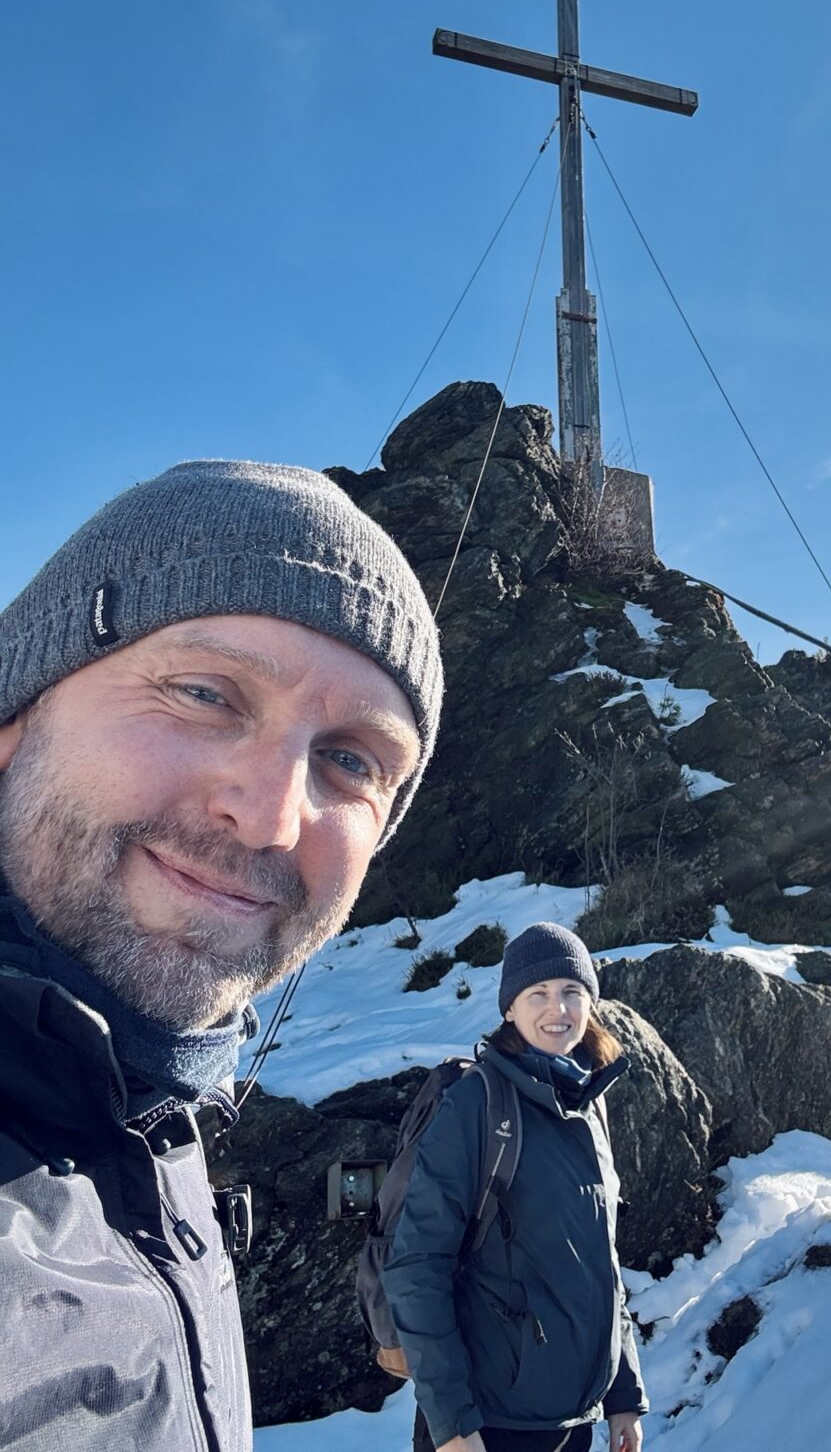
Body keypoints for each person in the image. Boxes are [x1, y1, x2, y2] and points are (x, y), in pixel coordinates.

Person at [0, 460, 442, 1452]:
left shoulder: (163, 1122)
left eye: (352, 761)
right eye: (204, 693)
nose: (273, 816)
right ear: (15, 715)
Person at [384, 922, 648, 1452]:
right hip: (489, 1425)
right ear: (510, 1008)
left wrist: (623, 1394)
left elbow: (600, 1264)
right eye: (538, 993)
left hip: (573, 1422)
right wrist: (452, 1424)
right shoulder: (477, 1104)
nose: (558, 1008)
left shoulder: (587, 1102)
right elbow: (417, 1267)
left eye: (572, 991)